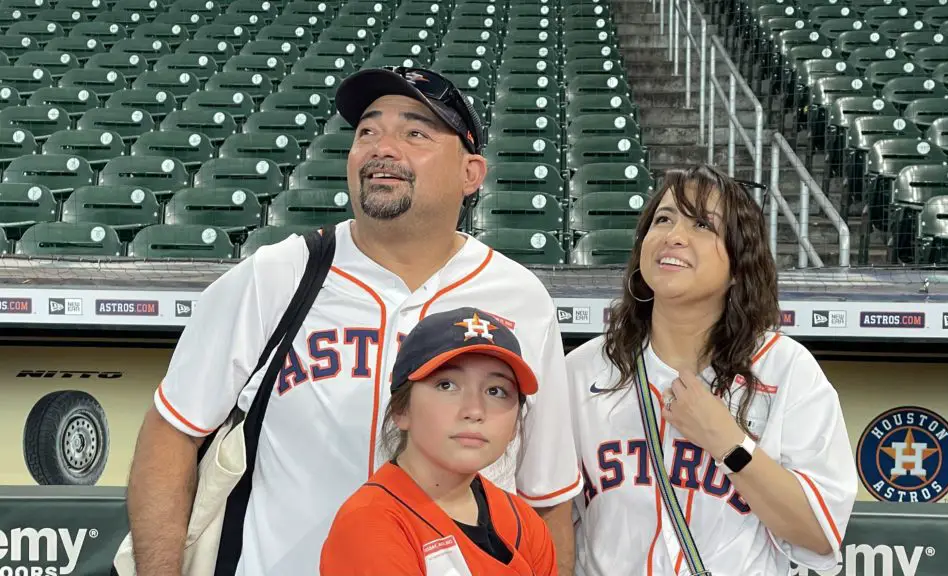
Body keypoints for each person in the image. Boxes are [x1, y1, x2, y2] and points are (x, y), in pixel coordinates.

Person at [124, 67, 581, 576]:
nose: (382, 147)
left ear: (470, 173)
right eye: (367, 131)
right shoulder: (276, 275)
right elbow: (172, 433)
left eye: (415, 132)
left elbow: (547, 494)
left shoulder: (520, 297)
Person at [565, 164, 858, 576]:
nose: (674, 236)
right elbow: (551, 517)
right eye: (663, 219)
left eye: (703, 224)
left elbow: (820, 533)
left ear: (740, 264)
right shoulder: (583, 371)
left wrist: (728, 442)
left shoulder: (786, 368)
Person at [320, 307, 557, 575]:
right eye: (447, 385)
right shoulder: (369, 525)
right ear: (402, 410)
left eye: (496, 391)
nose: (475, 410)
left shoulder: (524, 522)